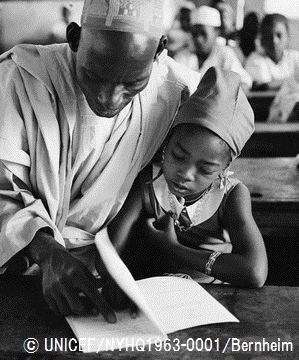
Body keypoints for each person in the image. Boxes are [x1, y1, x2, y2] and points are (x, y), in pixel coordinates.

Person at [0, 0, 200, 358]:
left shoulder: (177, 93)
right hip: (26, 256)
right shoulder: (20, 81)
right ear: (75, 37)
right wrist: (46, 252)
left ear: (160, 51)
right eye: (95, 76)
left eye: (132, 84)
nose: (109, 100)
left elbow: (174, 178)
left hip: (120, 261)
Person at [106, 67, 268, 290]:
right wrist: (113, 278)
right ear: (167, 142)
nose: (186, 174)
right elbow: (111, 250)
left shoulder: (231, 196)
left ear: (224, 167)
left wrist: (173, 248)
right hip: (156, 294)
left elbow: (255, 272)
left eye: (205, 169)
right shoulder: (148, 182)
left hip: (213, 295)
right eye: (178, 156)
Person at [174, 5, 252, 92]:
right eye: (195, 34)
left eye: (203, 34)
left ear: (216, 32)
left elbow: (244, 82)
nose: (199, 39)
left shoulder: (224, 54)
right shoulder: (182, 56)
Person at [245, 13, 299, 91]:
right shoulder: (255, 59)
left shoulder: (295, 57)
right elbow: (265, 87)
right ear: (261, 39)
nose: (274, 41)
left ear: (287, 37)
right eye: (268, 36)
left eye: (279, 35)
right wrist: (295, 80)